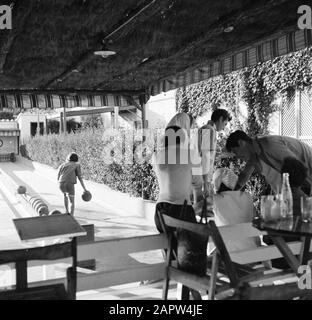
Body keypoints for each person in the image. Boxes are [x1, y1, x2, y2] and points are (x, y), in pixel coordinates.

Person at [225, 130, 312, 195]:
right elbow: (244, 176)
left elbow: (297, 168)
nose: (238, 157)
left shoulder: (268, 144)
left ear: (241, 143)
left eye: (235, 151)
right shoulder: (254, 154)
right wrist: (227, 194)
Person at [152, 125, 196, 233]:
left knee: (169, 247)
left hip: (161, 211)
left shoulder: (156, 156)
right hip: (183, 211)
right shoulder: (190, 154)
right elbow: (197, 185)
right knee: (194, 246)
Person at [192, 109, 232, 209]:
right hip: (201, 176)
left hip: (198, 173)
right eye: (225, 123)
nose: (224, 128)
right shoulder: (209, 130)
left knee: (201, 209)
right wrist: (206, 181)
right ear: (220, 119)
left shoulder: (205, 129)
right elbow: (205, 156)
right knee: (203, 209)